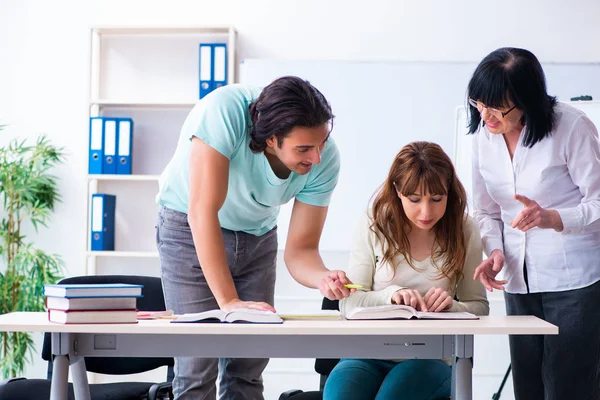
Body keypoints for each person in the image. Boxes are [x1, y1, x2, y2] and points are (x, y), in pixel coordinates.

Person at [155, 76, 355, 400]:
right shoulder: (224, 112)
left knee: (248, 367)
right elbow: (202, 211)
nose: (316, 157)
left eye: (320, 144)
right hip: (189, 229)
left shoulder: (324, 158)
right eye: (304, 148)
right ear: (272, 139)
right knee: (196, 366)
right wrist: (230, 303)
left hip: (257, 236)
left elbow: (301, 250)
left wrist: (323, 277)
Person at [468, 47, 600, 400]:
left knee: (568, 387)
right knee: (527, 386)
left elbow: (598, 202)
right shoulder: (484, 136)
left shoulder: (571, 127)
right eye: (479, 103)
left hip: (573, 279)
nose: (486, 115)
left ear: (526, 100)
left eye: (497, 108)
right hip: (517, 278)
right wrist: (494, 251)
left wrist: (553, 218)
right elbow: (486, 211)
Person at [323, 141, 489, 400]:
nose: (426, 211)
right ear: (397, 191)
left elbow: (479, 307)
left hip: (431, 358)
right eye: (414, 199)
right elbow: (349, 303)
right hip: (366, 354)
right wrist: (390, 295)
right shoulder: (374, 222)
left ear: (449, 191)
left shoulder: (464, 228)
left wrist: (452, 307)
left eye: (437, 198)